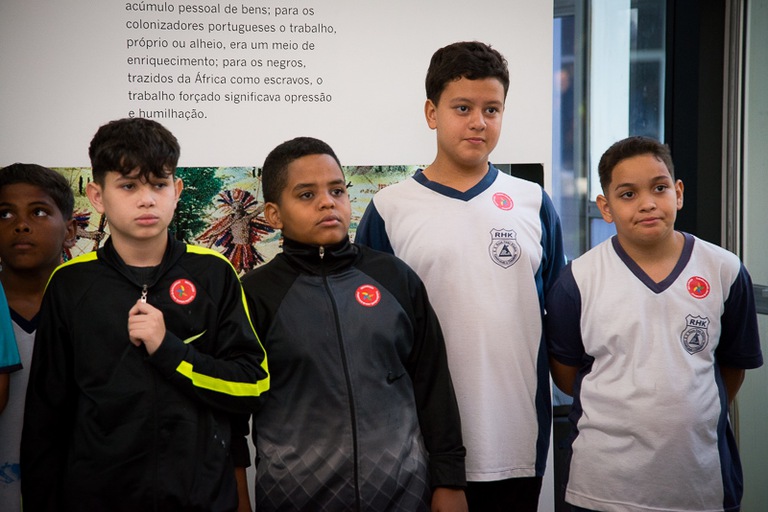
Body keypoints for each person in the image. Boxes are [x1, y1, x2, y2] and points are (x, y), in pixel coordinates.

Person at [355, 41, 565, 510]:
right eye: (463, 108)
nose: (479, 122)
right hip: (418, 443)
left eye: (492, 109)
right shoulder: (389, 209)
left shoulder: (532, 202)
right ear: (432, 113)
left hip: (516, 439)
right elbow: (371, 334)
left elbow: (558, 315)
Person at [20, 118, 270, 511]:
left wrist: (169, 350)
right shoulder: (70, 284)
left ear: (177, 191)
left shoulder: (213, 273)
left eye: (158, 184)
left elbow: (251, 386)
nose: (147, 199)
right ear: (97, 196)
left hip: (200, 499)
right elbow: (46, 416)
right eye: (128, 186)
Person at [240, 136, 467, 511]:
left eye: (337, 190)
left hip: (403, 496)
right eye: (307, 195)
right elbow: (233, 412)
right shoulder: (255, 296)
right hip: (294, 498)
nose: (328, 202)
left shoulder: (395, 278)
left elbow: (433, 384)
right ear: (274, 215)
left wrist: (449, 481)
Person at [544, 136, 763, 511]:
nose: (647, 203)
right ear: (606, 207)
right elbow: (567, 376)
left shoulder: (724, 270)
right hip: (601, 488)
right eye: (628, 194)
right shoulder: (576, 280)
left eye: (659, 188)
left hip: (700, 484)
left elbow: (731, 368)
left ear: (678, 193)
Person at [0, 163, 77, 512]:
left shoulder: (93, 312)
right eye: (5, 214)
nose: (21, 224)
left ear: (70, 231)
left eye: (39, 212)